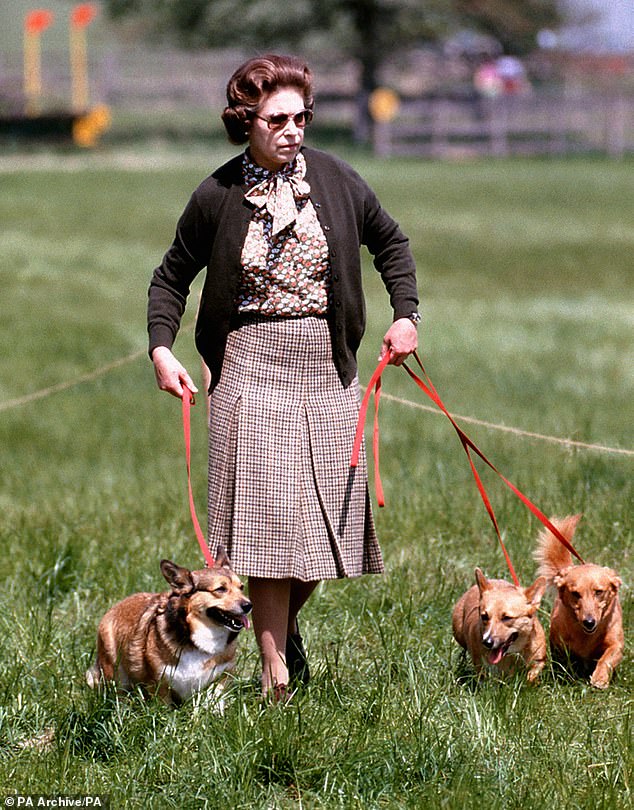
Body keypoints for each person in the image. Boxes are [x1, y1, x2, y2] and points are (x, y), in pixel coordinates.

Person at [148, 54, 419, 700]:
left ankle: (279, 628)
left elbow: (392, 244)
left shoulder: (336, 179)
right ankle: (277, 679)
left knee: (325, 533)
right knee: (270, 531)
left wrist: (406, 316)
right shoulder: (216, 196)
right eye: (277, 119)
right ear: (247, 121)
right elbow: (170, 278)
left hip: (327, 366)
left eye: (301, 117)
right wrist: (162, 349)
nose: (292, 129)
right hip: (250, 366)